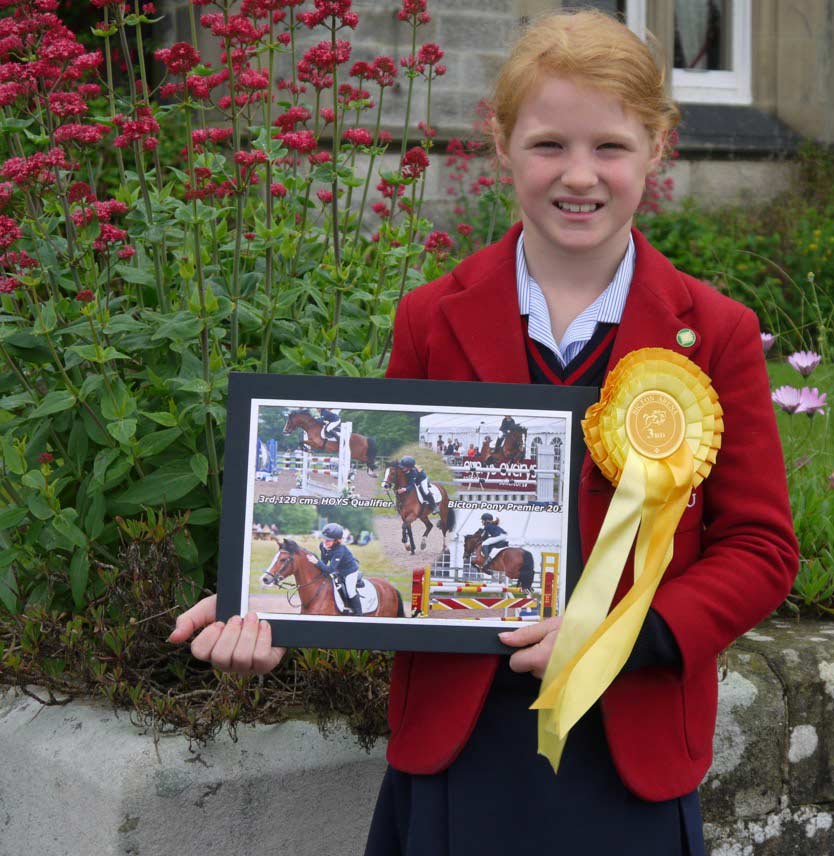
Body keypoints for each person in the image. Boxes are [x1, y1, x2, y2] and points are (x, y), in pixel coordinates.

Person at [169, 10, 797, 855]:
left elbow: (760, 547)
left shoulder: (713, 332)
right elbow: (389, 511)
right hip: (461, 749)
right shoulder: (431, 318)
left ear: (658, 146)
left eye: (610, 146)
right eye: (548, 145)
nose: (580, 175)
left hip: (626, 749)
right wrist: (267, 603)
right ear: (499, 143)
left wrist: (629, 637)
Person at [317, 522, 364, 616]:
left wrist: (316, 562)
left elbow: (330, 569)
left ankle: (359, 614)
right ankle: (343, 605)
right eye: (324, 539)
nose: (325, 542)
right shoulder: (322, 546)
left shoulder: (340, 550)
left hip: (350, 571)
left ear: (336, 540)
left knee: (350, 591)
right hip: (338, 569)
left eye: (329, 540)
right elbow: (324, 561)